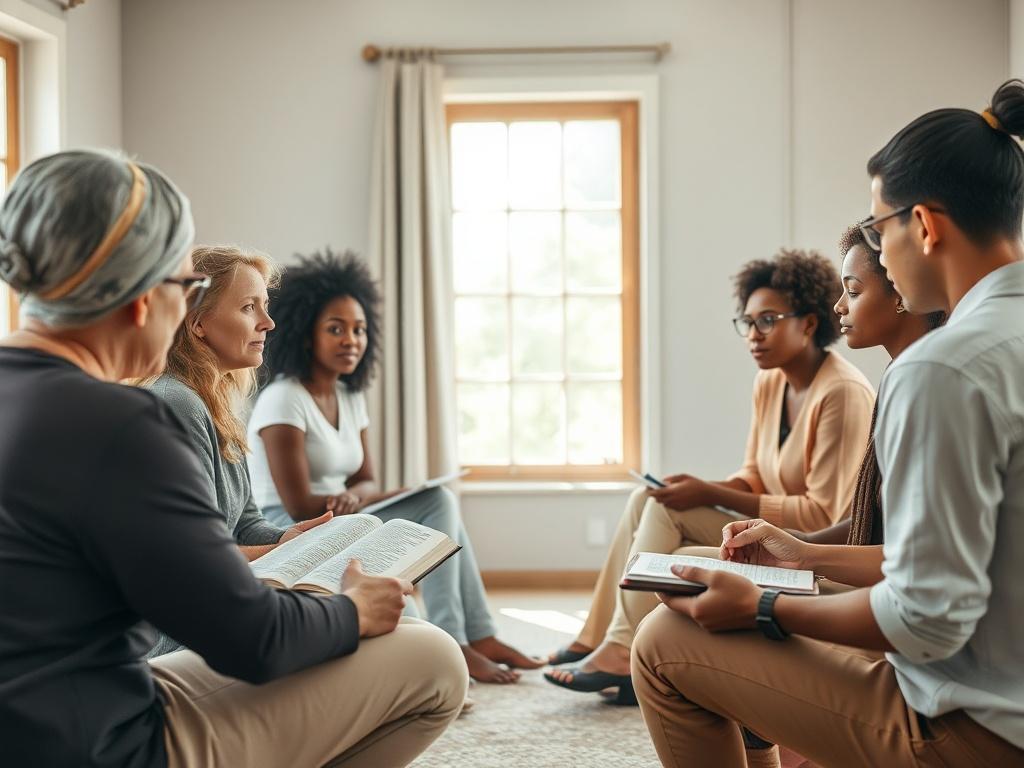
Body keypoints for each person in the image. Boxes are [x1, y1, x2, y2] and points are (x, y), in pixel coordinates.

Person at [0, 150, 466, 768]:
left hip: (38, 716)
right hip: (95, 741)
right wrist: (352, 610)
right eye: (184, 286)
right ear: (145, 298)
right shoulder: (122, 423)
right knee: (431, 658)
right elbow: (253, 641)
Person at [631, 80, 1024, 768]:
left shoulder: (945, 368)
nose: (878, 247)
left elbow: (926, 622)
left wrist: (761, 609)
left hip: (977, 729)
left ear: (924, 226)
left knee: (666, 641)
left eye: (878, 227)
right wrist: (800, 556)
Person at [545, 249, 875, 703]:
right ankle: (600, 635)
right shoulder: (771, 381)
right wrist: (702, 489)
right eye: (747, 322)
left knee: (661, 511)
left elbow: (826, 510)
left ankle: (620, 651)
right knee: (650, 499)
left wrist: (707, 494)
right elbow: (756, 474)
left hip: (807, 537)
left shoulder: (842, 392)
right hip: (765, 523)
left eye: (768, 320)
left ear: (810, 323)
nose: (753, 336)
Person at [248, 250, 542, 683]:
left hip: (343, 514)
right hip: (297, 524)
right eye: (336, 329)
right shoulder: (283, 398)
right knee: (438, 503)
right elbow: (295, 506)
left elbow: (365, 479)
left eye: (359, 330)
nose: (351, 339)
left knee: (438, 503)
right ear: (306, 334)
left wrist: (357, 496)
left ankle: (477, 635)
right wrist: (350, 499)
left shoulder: (350, 397)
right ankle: (460, 638)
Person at [144, 245, 336, 658]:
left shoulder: (217, 404)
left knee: (394, 626)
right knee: (409, 644)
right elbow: (191, 559)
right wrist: (289, 551)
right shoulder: (176, 402)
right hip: (182, 639)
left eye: (265, 306)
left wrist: (288, 536)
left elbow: (245, 523)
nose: (268, 322)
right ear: (197, 324)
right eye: (250, 307)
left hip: (222, 610)